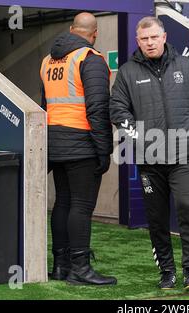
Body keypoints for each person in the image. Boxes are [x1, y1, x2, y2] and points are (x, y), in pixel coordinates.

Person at [110, 17, 189, 291]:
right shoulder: (127, 72)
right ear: (138, 41)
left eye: (154, 37)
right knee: (156, 217)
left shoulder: (187, 66)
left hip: (184, 154)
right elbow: (118, 110)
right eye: (144, 39)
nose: (150, 42)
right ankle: (167, 271)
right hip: (149, 159)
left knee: (187, 208)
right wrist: (138, 138)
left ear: (164, 37)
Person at [40, 12, 116, 285]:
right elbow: (98, 109)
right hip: (81, 143)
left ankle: (60, 266)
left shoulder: (48, 60)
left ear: (72, 30)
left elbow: (45, 105)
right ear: (94, 34)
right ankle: (80, 269)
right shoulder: (90, 59)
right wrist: (103, 150)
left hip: (55, 142)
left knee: (63, 202)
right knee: (81, 206)